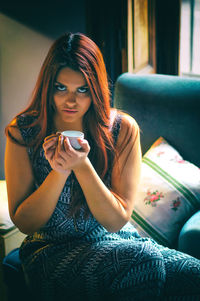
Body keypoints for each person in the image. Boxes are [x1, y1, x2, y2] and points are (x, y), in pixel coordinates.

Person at [4, 32, 200, 301]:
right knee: (145, 261)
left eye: (82, 89)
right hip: (49, 250)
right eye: (61, 88)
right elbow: (25, 222)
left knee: (193, 273)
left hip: (115, 240)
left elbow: (116, 220)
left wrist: (82, 166)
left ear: (95, 89)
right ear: (48, 86)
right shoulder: (24, 132)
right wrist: (59, 171)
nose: (70, 101)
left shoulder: (121, 130)